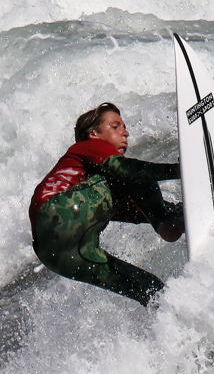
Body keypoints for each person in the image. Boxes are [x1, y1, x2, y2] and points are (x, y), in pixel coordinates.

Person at [29, 102, 185, 306]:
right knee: (133, 173)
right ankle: (167, 226)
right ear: (94, 134)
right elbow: (128, 170)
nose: (126, 132)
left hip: (57, 256)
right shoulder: (87, 147)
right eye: (115, 126)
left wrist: (186, 212)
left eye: (124, 127)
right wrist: (181, 170)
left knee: (150, 289)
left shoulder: (102, 195)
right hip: (57, 209)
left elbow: (140, 209)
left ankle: (175, 324)